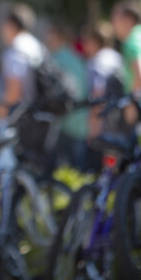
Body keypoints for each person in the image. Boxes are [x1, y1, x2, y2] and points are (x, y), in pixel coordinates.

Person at [45, 23, 89, 170]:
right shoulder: (78, 58)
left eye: (50, 35)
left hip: (65, 123)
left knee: (60, 172)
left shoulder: (55, 59)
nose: (47, 39)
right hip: (82, 121)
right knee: (78, 173)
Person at [0, 3, 45, 118]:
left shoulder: (16, 49)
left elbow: (13, 91)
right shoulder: (35, 45)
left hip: (22, 117)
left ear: (10, 25)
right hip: (39, 113)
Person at [110, 0, 141, 125]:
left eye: (115, 17)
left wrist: (132, 105)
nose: (112, 23)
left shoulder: (133, 39)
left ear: (128, 19)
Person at [81, 21, 125, 140]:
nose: (84, 45)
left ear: (95, 42)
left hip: (104, 124)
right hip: (120, 119)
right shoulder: (117, 58)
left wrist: (94, 128)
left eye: (87, 41)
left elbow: (98, 95)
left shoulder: (96, 62)